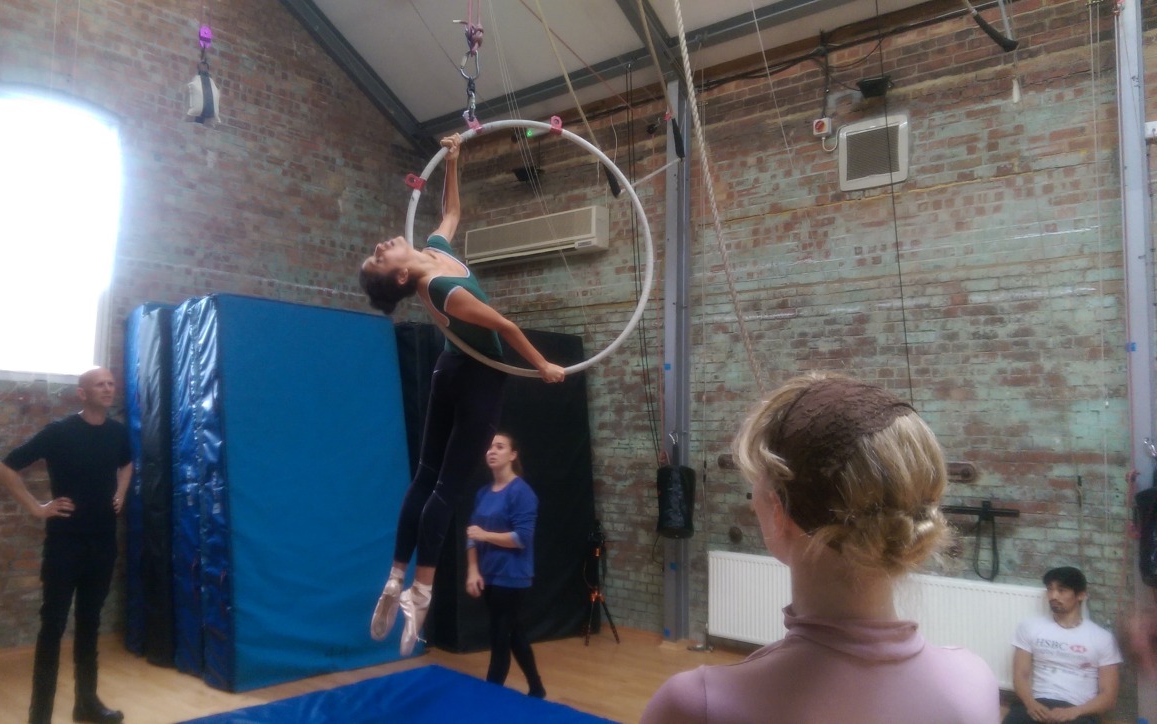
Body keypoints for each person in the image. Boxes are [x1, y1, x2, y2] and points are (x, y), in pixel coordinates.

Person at [642, 372, 1000, 723]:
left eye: (757, 492)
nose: (753, 505)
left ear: (779, 513)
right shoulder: (973, 683)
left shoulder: (697, 706)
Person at [360, 132, 565, 657]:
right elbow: (507, 326)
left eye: (378, 251)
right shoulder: (445, 291)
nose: (381, 245)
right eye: (380, 258)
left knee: (427, 476)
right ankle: (419, 595)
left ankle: (393, 579)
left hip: (451, 368)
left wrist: (454, 159)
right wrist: (542, 366)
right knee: (445, 486)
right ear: (402, 275)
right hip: (475, 377)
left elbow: (452, 212)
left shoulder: (435, 253)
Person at [0, 367, 132, 724]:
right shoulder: (59, 433)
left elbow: (127, 463)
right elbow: (6, 468)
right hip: (65, 545)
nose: (108, 388)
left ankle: (86, 704)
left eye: (111, 383)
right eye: (100, 384)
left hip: (102, 544)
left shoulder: (118, 433)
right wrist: (37, 508)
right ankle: (39, 715)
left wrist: (120, 491)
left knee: (89, 623)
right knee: (53, 626)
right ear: (82, 393)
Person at [466, 432, 546, 698]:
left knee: (500, 637)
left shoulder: (522, 492)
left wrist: (485, 535)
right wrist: (473, 569)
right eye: (489, 447)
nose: (492, 451)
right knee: (512, 633)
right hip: (488, 574)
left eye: (499, 447)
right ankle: (536, 687)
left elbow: (521, 538)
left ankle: (489, 697)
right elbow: (471, 535)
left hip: (512, 577)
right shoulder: (482, 493)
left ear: (512, 455)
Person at [1004, 567, 1121, 724]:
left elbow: (1108, 695)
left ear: (1081, 595)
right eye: (1050, 589)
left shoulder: (1102, 638)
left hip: (1079, 709)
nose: (1053, 596)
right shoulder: (1030, 627)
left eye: (1062, 590)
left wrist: (1075, 711)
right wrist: (1031, 703)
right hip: (1040, 703)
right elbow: (1020, 675)